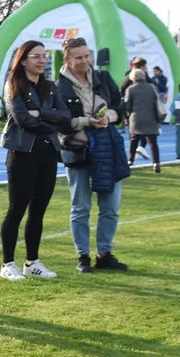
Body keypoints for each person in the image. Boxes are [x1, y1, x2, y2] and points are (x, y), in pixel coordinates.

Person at [0, 40, 70, 281]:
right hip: (22, 155)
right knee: (16, 209)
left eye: (44, 56)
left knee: (38, 211)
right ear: (23, 59)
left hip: (48, 153)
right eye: (35, 56)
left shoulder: (50, 87)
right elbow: (22, 120)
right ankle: (7, 263)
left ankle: (32, 262)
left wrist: (41, 114)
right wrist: (49, 122)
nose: (42, 60)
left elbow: (66, 117)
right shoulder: (13, 85)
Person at [56, 37, 129, 273]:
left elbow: (120, 107)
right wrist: (88, 121)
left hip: (108, 150)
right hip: (78, 152)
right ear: (67, 59)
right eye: (79, 57)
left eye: (87, 56)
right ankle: (83, 256)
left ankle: (104, 254)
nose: (85, 61)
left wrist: (111, 118)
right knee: (81, 208)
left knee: (111, 207)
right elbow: (61, 122)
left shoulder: (103, 79)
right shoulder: (58, 87)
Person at [124, 69, 163, 173]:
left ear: (133, 78)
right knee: (153, 142)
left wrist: (127, 114)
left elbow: (127, 105)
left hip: (136, 118)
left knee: (134, 140)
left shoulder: (130, 89)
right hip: (151, 117)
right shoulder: (152, 87)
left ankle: (130, 160)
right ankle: (156, 163)